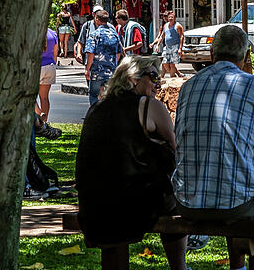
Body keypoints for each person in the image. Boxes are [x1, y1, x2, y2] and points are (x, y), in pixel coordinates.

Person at [172, 25, 254, 270]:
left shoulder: (188, 87)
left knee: (235, 181)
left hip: (187, 202)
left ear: (212, 54)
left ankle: (238, 267)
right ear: (245, 56)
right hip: (237, 203)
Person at [76, 56, 187, 270]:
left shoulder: (96, 109)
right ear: (133, 78)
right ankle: (179, 266)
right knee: (172, 200)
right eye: (153, 76)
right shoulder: (148, 106)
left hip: (94, 203)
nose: (158, 83)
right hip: (135, 202)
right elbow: (176, 149)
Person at [83, 10, 124, 105]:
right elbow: (118, 54)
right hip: (111, 72)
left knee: (94, 95)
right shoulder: (115, 35)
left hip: (97, 72)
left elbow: (90, 53)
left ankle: (95, 116)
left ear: (97, 19)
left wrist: (87, 69)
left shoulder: (94, 35)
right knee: (109, 96)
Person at [36, 26, 58, 130]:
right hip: (50, 66)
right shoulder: (53, 33)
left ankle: (40, 117)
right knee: (44, 97)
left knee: (29, 96)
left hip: (37, 67)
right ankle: (44, 122)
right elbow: (55, 53)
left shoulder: (35, 31)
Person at [152, 10, 184, 78]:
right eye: (169, 17)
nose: (170, 19)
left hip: (175, 46)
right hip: (167, 47)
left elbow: (181, 36)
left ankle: (172, 77)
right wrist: (157, 45)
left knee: (172, 64)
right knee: (165, 63)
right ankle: (175, 75)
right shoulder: (165, 25)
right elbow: (162, 36)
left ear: (174, 18)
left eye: (172, 17)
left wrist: (180, 48)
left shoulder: (178, 26)